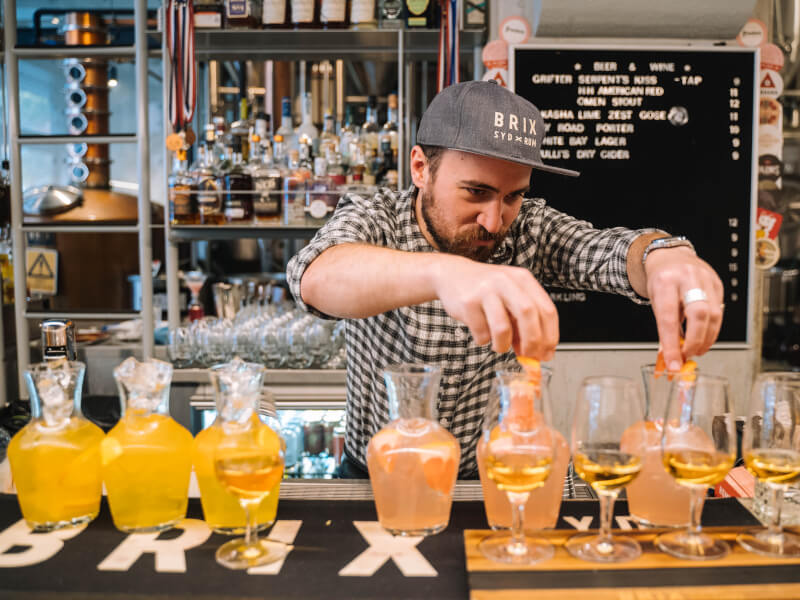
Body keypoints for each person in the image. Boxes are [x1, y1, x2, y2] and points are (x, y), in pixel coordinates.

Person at [286, 81, 723, 478]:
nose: (494, 222)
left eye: (513, 196)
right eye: (475, 192)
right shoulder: (375, 218)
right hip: (376, 476)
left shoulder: (529, 228)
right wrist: (444, 272)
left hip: (490, 476)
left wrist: (664, 255)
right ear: (420, 168)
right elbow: (316, 277)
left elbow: (608, 251)